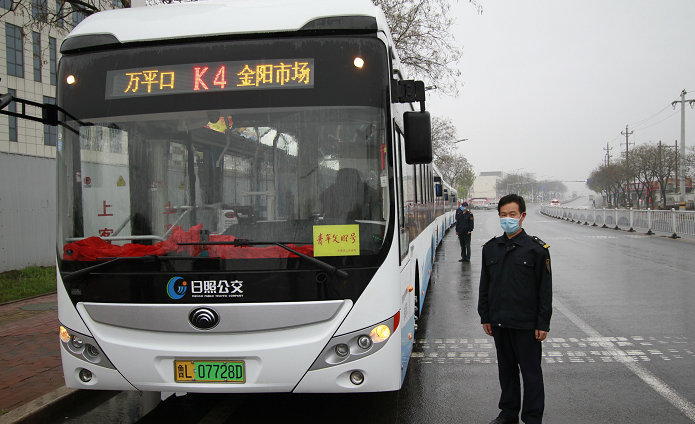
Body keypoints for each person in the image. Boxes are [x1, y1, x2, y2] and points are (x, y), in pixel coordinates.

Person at [478, 194, 552, 424]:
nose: (507, 219)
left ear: (522, 216)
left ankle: (532, 417)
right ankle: (508, 414)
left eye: (512, 214)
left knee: (531, 375)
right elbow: (484, 286)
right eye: (503, 215)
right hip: (500, 322)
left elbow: (545, 290)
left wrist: (543, 323)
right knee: (507, 373)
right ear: (498, 216)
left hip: (526, 325)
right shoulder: (491, 248)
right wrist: (485, 316)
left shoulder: (537, 250)